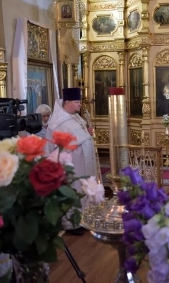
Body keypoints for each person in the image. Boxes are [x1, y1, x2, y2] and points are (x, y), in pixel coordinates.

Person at [45, 88, 97, 236]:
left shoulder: (75, 116)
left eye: (79, 101)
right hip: (72, 164)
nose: (80, 104)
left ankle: (85, 218)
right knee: (75, 188)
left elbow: (80, 134)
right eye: (76, 101)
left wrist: (88, 132)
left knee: (83, 188)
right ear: (67, 102)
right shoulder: (59, 122)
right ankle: (72, 223)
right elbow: (59, 144)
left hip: (82, 163)